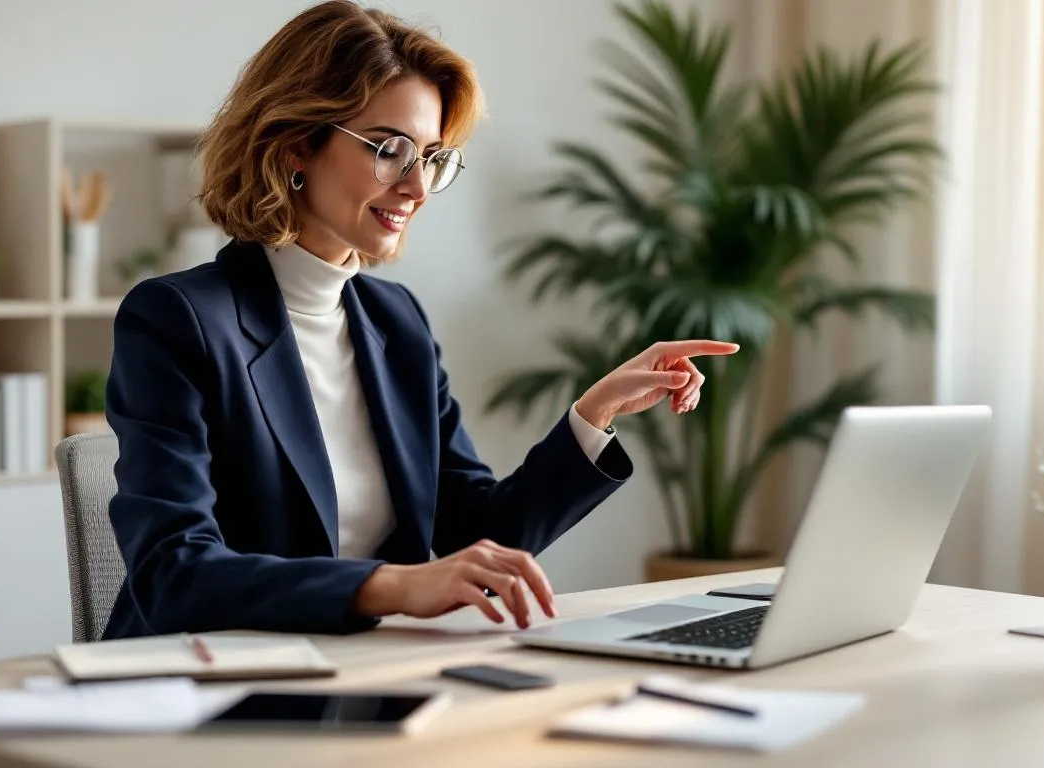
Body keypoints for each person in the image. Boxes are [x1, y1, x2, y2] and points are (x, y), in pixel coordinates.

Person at [101, 0, 738, 641]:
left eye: (431, 157)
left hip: (364, 675)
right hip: (207, 685)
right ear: (297, 143)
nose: (418, 187)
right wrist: (393, 586)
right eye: (388, 150)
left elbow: (481, 537)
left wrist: (594, 415)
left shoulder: (394, 321)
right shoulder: (179, 320)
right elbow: (172, 572)